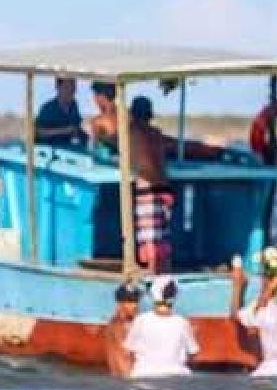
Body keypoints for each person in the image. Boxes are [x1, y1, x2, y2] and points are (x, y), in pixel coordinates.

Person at [89, 91, 225, 273]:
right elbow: (174, 146)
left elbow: (107, 139)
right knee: (162, 240)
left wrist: (96, 131)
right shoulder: (156, 133)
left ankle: (153, 277)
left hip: (148, 188)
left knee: (150, 241)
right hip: (166, 189)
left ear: (133, 115)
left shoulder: (130, 132)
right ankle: (165, 275)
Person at [123, 275, 199, 377]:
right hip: (176, 374)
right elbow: (193, 352)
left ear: (154, 294)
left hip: (143, 374)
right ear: (175, 296)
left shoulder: (141, 320)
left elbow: (128, 351)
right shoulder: (182, 322)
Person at [34, 77, 86, 148]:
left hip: (70, 151)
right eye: (66, 87)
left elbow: (78, 126)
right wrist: (64, 130)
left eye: (73, 87)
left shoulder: (74, 106)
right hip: (48, 151)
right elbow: (40, 132)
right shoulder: (48, 108)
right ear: (58, 87)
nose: (70, 91)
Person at [105, 282, 141, 378]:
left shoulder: (116, 323)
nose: (134, 305)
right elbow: (125, 357)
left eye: (136, 301)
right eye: (130, 301)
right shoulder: (119, 326)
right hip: (128, 379)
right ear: (120, 303)